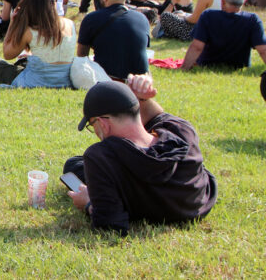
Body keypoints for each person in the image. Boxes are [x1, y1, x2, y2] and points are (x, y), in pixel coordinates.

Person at [63, 76, 216, 234]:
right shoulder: (182, 131)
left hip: (151, 203)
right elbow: (158, 115)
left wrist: (89, 203)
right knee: (75, 165)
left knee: (75, 167)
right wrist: (142, 98)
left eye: (92, 125)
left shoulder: (101, 158)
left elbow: (110, 225)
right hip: (193, 207)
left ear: (102, 124)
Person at [0, 0, 76, 88]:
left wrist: (12, 24)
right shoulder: (70, 24)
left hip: (35, 81)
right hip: (65, 80)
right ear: (53, 3)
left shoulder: (30, 30)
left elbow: (7, 54)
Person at [75, 0, 150, 80]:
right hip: (139, 81)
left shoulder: (91, 19)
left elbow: (82, 58)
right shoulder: (142, 19)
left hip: (107, 80)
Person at [182, 0, 266, 69]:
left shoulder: (208, 16)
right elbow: (263, 50)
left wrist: (184, 68)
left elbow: (196, 47)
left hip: (207, 64)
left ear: (222, 0)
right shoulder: (252, 20)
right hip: (239, 66)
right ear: (244, 1)